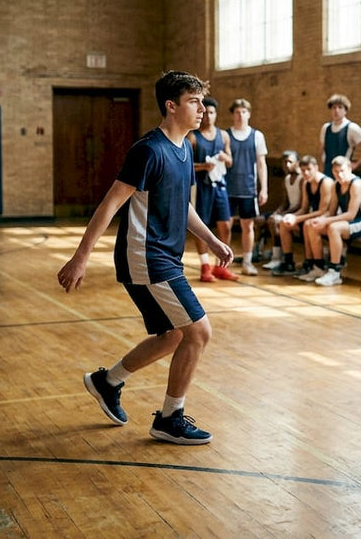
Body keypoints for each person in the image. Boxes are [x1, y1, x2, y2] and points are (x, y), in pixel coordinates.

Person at [57, 70, 233, 445]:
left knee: (172, 336)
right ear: (171, 106)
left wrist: (212, 241)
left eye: (202, 100)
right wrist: (81, 257)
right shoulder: (148, 150)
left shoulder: (185, 147)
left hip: (164, 256)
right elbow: (110, 204)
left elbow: (181, 205)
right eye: (193, 101)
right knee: (199, 332)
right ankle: (170, 417)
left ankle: (108, 382)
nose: (202, 108)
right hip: (146, 257)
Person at [299, 155, 361, 286]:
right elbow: (331, 211)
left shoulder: (356, 185)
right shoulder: (336, 185)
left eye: (342, 171)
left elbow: (351, 215)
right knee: (311, 225)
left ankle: (334, 271)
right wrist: (320, 219)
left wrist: (327, 221)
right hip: (346, 222)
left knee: (334, 228)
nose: (339, 175)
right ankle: (318, 267)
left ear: (350, 169)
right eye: (335, 171)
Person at [187, 96, 238, 283]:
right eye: (205, 112)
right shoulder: (193, 137)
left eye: (212, 112)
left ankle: (221, 265)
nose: (208, 116)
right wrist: (202, 167)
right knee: (202, 226)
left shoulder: (223, 135)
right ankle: (205, 266)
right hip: (201, 187)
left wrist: (225, 158)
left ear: (216, 114)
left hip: (220, 185)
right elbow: (185, 165)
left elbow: (231, 161)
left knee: (225, 224)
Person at [225, 98, 268, 276]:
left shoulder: (257, 136)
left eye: (243, 112)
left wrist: (264, 188)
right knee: (225, 226)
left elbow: (261, 164)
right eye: (237, 112)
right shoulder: (225, 135)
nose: (240, 115)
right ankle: (222, 264)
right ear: (233, 115)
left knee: (247, 227)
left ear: (249, 114)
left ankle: (247, 262)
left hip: (248, 189)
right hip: (227, 188)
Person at [283, 155, 338, 278]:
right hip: (314, 216)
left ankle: (317, 264)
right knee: (284, 223)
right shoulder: (306, 183)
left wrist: (297, 219)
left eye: (309, 169)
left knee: (309, 224)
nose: (306, 173)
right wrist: (291, 216)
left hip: (328, 217)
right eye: (303, 170)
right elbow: (304, 208)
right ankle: (289, 262)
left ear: (316, 168)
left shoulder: (326, 182)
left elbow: (323, 210)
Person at [259, 150, 305, 271]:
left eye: (290, 162)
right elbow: (285, 202)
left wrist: (283, 214)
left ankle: (277, 257)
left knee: (275, 221)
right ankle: (257, 251)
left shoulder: (302, 179)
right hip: (289, 210)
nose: (287, 165)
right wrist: (277, 212)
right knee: (261, 219)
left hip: (298, 212)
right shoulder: (287, 179)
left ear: (297, 163)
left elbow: (301, 204)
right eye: (284, 162)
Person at [320, 93, 361, 177]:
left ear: (345, 110)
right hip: (327, 172)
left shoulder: (352, 128)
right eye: (334, 108)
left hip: (342, 175)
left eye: (340, 107)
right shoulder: (325, 128)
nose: (336, 111)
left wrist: (356, 164)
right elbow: (322, 149)